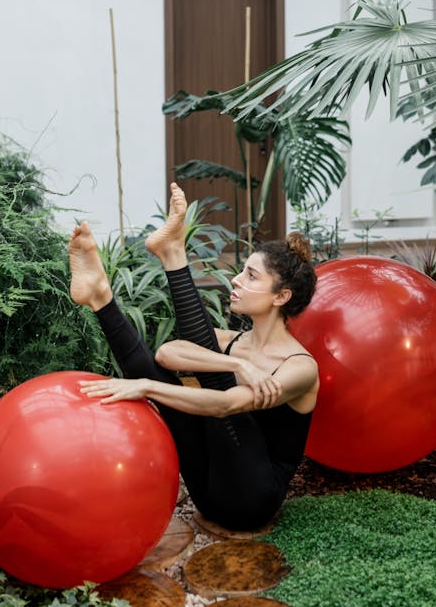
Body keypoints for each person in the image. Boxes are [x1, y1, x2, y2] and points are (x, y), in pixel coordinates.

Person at [69, 183, 319, 532]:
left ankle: (173, 255)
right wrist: (236, 362)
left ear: (281, 296)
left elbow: (226, 405)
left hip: (252, 501)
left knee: (209, 385)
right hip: (208, 489)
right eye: (242, 271)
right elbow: (167, 353)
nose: (236, 279)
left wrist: (147, 389)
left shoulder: (300, 367)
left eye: (251, 275)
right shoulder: (233, 344)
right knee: (172, 369)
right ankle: (100, 297)